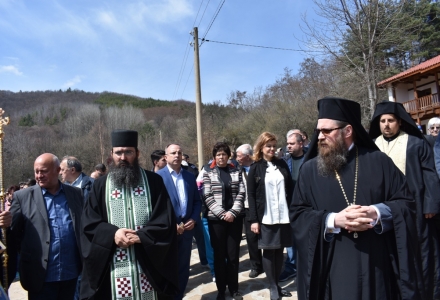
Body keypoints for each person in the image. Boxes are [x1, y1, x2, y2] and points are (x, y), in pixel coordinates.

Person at [290, 97, 423, 299]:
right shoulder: (309, 171)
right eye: (318, 131)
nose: (319, 137)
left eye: (327, 131)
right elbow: (298, 214)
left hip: (377, 264)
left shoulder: (379, 162)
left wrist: (377, 213)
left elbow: (407, 204)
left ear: (348, 131)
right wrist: (333, 220)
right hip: (333, 266)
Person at [80, 129, 178, 300]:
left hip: (148, 263)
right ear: (111, 154)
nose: (123, 157)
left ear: (137, 153)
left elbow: (166, 219)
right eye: (118, 152)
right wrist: (113, 233)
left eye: (128, 152)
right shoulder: (100, 185)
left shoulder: (154, 181)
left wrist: (143, 236)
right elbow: (89, 222)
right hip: (113, 265)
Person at [369, 101, 440, 299]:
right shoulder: (372, 146)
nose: (386, 125)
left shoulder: (416, 143)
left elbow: (430, 175)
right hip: (384, 210)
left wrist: (430, 204)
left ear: (399, 122)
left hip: (415, 210)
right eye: (382, 121)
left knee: (419, 254)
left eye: (390, 120)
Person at [10, 153, 83, 299]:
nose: (39, 175)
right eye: (36, 171)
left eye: (43, 171)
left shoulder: (75, 194)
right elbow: (14, 234)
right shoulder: (23, 197)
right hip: (40, 275)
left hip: (70, 273)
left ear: (57, 170)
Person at [247, 133, 294, 300]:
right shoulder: (255, 167)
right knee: (268, 251)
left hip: (283, 215)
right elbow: (251, 195)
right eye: (269, 146)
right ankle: (273, 286)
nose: (272, 149)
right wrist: (254, 220)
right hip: (266, 216)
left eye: (274, 145)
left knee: (279, 249)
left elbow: (290, 187)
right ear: (261, 148)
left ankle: (277, 284)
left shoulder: (282, 164)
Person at [156, 144, 201, 300]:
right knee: (167, 267)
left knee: (183, 268)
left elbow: (197, 201)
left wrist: (194, 219)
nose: (177, 155)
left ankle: (179, 296)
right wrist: (169, 224)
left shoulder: (189, 176)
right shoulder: (158, 177)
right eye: (173, 153)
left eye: (179, 152)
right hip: (168, 231)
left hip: (187, 230)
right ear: (166, 157)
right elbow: (155, 206)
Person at [203, 142, 245, 300]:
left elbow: (242, 192)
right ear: (214, 157)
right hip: (216, 221)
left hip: (234, 219)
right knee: (220, 256)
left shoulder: (236, 170)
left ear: (229, 156)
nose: (221, 157)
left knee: (233, 256)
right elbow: (207, 196)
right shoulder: (208, 171)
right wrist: (222, 214)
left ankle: (234, 288)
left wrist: (233, 212)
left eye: (224, 154)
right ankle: (221, 289)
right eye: (218, 154)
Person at [279, 131, 306, 282]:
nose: (288, 146)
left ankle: (305, 265)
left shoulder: (311, 159)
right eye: (287, 143)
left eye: (292, 144)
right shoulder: (284, 161)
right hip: (289, 205)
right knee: (290, 239)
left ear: (301, 144)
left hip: (307, 205)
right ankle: (291, 267)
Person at [235, 143, 263, 279]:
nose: (237, 158)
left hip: (262, 207)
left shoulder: (259, 167)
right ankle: (256, 265)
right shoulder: (236, 170)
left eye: (239, 156)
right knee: (251, 239)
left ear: (247, 156)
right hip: (246, 208)